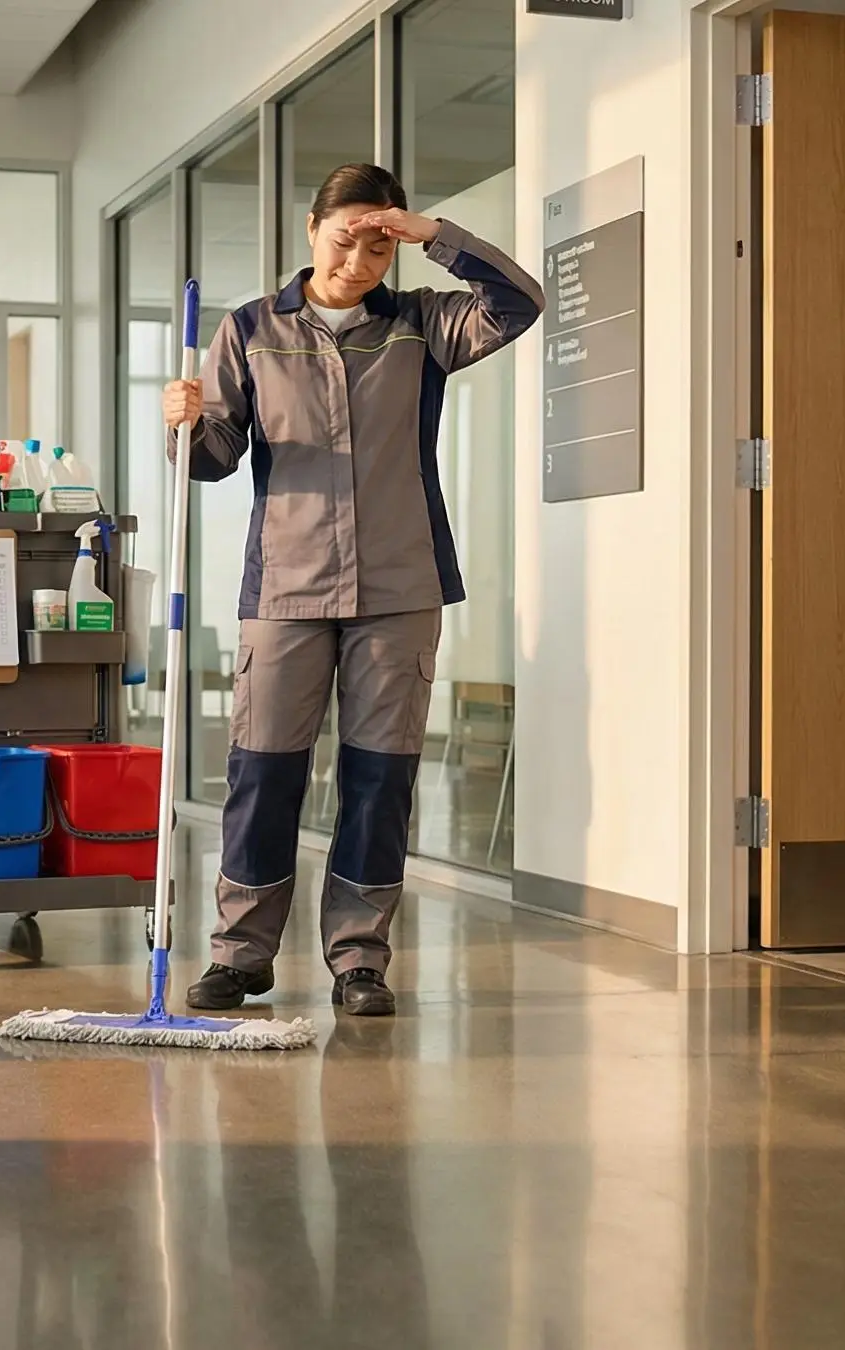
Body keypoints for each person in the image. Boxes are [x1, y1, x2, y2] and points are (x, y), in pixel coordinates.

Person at [163, 163, 544, 1016]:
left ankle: (359, 959)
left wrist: (434, 237)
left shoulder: (423, 325)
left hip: (400, 586)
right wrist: (187, 424)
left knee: (381, 779)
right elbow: (216, 459)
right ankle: (242, 953)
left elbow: (521, 302)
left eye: (379, 245)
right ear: (312, 227)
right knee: (264, 775)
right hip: (287, 587)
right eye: (347, 239)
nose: (360, 260)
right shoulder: (251, 331)